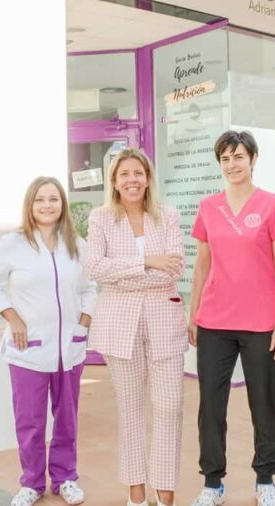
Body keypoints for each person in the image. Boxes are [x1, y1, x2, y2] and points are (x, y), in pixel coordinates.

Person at [188, 130, 275, 506]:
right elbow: (202, 265)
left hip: (262, 323)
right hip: (214, 321)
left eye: (238, 157)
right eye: (225, 159)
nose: (232, 165)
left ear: (253, 159)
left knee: (266, 404)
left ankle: (265, 479)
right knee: (211, 406)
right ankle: (212, 483)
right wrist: (193, 314)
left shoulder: (273, 205)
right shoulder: (208, 207)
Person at [0, 176, 96, 506]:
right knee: (30, 422)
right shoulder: (13, 243)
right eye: (40, 199)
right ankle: (31, 483)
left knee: (67, 419)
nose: (47, 205)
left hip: (69, 349)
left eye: (54, 199)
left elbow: (89, 288)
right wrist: (12, 317)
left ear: (62, 204)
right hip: (28, 350)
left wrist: (84, 322)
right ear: (30, 205)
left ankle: (65, 478)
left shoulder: (76, 244)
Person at [85, 148, 186, 506]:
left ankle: (165, 489)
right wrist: (149, 261)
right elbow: (95, 267)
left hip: (165, 324)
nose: (132, 180)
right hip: (119, 327)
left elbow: (174, 269)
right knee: (130, 410)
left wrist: (125, 273)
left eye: (138, 173)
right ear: (114, 181)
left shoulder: (168, 215)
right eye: (125, 174)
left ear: (148, 178)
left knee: (170, 406)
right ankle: (136, 490)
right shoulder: (101, 218)